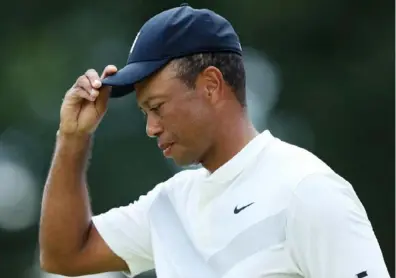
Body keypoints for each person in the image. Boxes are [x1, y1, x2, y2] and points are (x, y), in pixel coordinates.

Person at [39, 4, 390, 278]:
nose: (151, 128)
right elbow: (64, 254)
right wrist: (73, 137)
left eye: (158, 107)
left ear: (210, 85)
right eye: (146, 113)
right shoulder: (169, 206)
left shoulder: (306, 190)